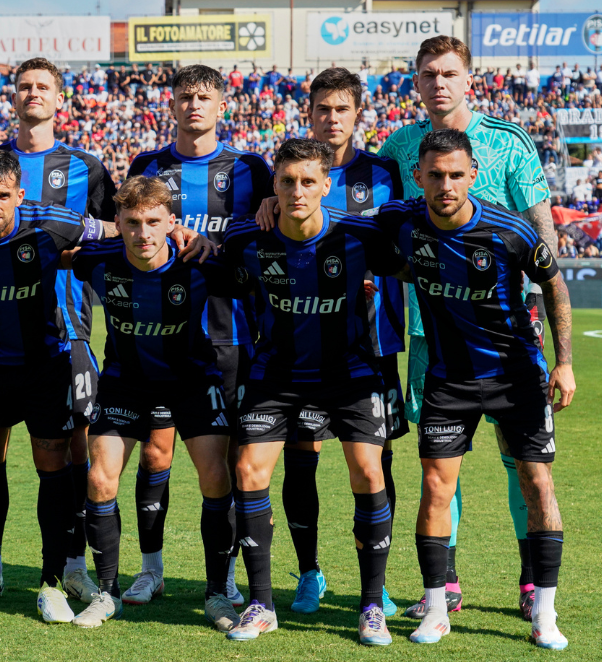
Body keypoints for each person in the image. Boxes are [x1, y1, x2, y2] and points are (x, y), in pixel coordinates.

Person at [0, 149, 208, 626]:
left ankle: (52, 584)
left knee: (54, 466)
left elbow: (114, 231)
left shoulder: (53, 222)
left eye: (3, 196)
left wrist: (176, 232)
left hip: (45, 364)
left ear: (20, 195)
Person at [372, 128, 575, 649]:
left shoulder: (512, 233)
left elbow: (553, 284)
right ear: (417, 177)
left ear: (473, 176)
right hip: (448, 380)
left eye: (456, 174)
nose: (446, 184)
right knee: (437, 488)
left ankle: (545, 615)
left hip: (517, 379)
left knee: (538, 486)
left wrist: (565, 363)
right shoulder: (402, 221)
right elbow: (371, 248)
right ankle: (436, 610)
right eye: (435, 175)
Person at [222, 138, 404, 645]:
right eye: (286, 181)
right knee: (247, 469)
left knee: (369, 471)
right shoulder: (246, 240)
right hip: (275, 373)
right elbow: (214, 273)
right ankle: (261, 603)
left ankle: (372, 606)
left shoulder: (362, 234)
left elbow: (413, 263)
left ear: (327, 184)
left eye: (307, 182)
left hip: (349, 373)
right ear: (273, 185)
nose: (297, 191)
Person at [254, 67, 404, 617]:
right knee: (301, 454)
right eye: (321, 108)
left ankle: (375, 583)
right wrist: (264, 206)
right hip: (297, 339)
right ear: (308, 113)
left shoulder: (385, 174)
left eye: (341, 109)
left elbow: (401, 238)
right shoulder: (293, 173)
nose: (331, 118)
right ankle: (309, 571)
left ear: (357, 113)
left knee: (375, 461)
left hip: (371, 338)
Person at [127, 64, 274, 607]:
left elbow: (271, 231)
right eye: (185, 96)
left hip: (231, 334)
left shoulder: (251, 170)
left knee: (228, 464)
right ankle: (151, 568)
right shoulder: (147, 166)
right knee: (155, 454)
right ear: (171, 104)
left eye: (204, 97)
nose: (194, 104)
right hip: (161, 337)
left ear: (222, 106)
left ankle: (226, 574)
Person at [69, 176, 243, 631]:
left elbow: (255, 276)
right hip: (127, 382)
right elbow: (57, 246)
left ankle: (218, 592)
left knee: (216, 475)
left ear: (172, 223)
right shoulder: (97, 261)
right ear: (118, 224)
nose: (143, 233)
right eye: (132, 223)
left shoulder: (200, 263)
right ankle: (107, 594)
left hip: (192, 380)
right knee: (100, 477)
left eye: (152, 222)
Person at [0, 57, 118, 605]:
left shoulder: (87, 167)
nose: (32, 94)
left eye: (43, 86)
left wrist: (80, 236)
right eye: (24, 86)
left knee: (73, 451)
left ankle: (71, 565)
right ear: (12, 97)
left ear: (61, 99)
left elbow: (120, 228)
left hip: (69, 331)